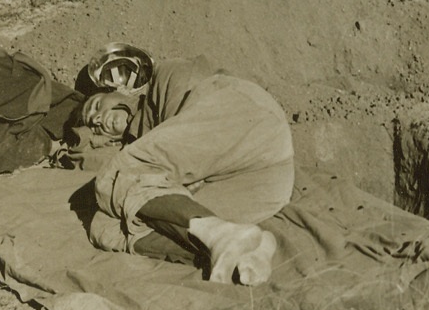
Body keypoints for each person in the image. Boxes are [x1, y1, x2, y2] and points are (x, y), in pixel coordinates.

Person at [75, 44, 294, 286]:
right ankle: (249, 247)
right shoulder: (145, 144)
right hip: (261, 186)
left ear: (122, 91)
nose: (97, 120)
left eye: (96, 106)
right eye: (94, 126)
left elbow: (187, 146)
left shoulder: (167, 75)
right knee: (105, 228)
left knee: (116, 175)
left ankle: (219, 235)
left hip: (248, 122)